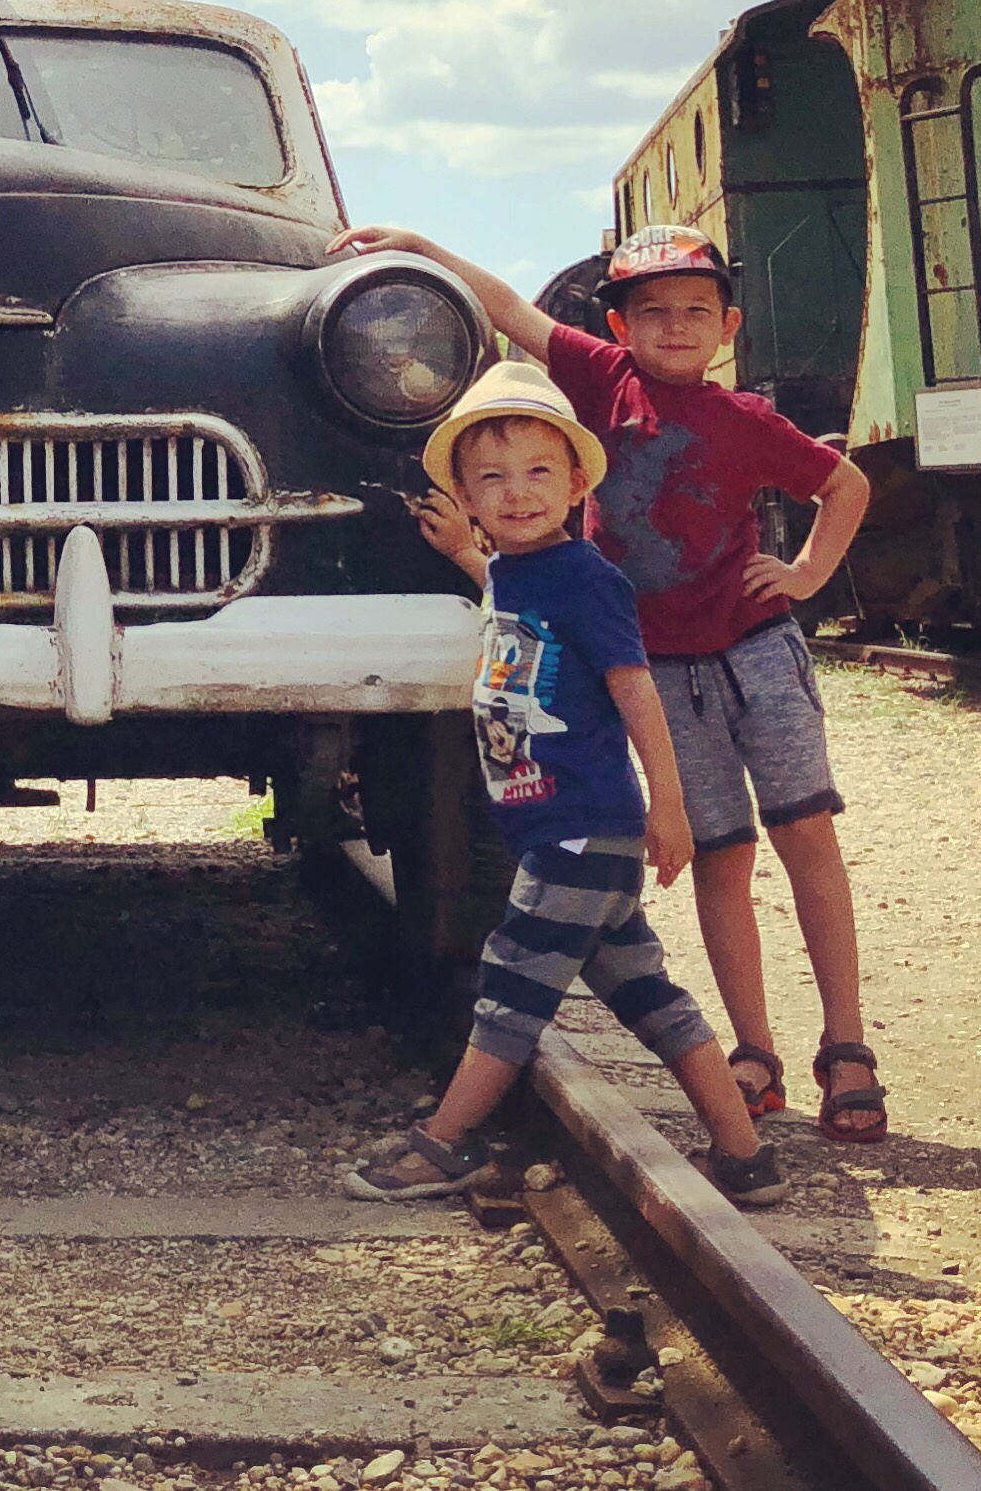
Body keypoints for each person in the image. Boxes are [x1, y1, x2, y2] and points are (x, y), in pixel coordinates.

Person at [334, 220, 885, 1144]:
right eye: (652, 312)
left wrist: (805, 575)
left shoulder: (748, 420)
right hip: (660, 665)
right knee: (722, 855)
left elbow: (847, 485)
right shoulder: (600, 378)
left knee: (805, 835)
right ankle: (753, 1051)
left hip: (756, 649)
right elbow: (508, 309)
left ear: (729, 327)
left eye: (696, 311)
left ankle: (847, 1045)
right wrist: (423, 247)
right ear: (619, 327)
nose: (675, 327)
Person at [345, 360, 787, 1205]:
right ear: (467, 496)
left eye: (539, 472)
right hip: (561, 832)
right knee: (651, 998)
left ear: (578, 484)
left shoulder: (589, 579)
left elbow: (636, 691)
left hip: (580, 830)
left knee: (510, 988)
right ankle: (744, 1155)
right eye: (492, 479)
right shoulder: (515, 572)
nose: (517, 493)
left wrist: (669, 805)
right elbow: (511, 598)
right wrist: (466, 554)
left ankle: (442, 1144)